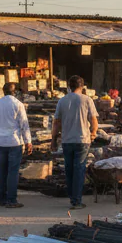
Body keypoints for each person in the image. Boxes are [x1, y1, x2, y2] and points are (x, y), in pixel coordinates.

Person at [51, 76, 99, 210]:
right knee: (79, 169)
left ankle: (73, 198)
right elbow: (94, 120)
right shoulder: (87, 100)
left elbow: (56, 122)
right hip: (82, 140)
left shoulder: (62, 101)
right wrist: (93, 132)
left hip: (67, 140)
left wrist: (53, 140)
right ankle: (76, 201)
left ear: (69, 86)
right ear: (82, 86)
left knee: (69, 170)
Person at [0, 82, 32, 208]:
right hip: (14, 142)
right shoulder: (18, 104)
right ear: (15, 92)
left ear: (3, 91)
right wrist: (28, 141)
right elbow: (24, 125)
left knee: (2, 171)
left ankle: (2, 199)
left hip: (1, 142)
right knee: (13, 172)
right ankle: (12, 199)